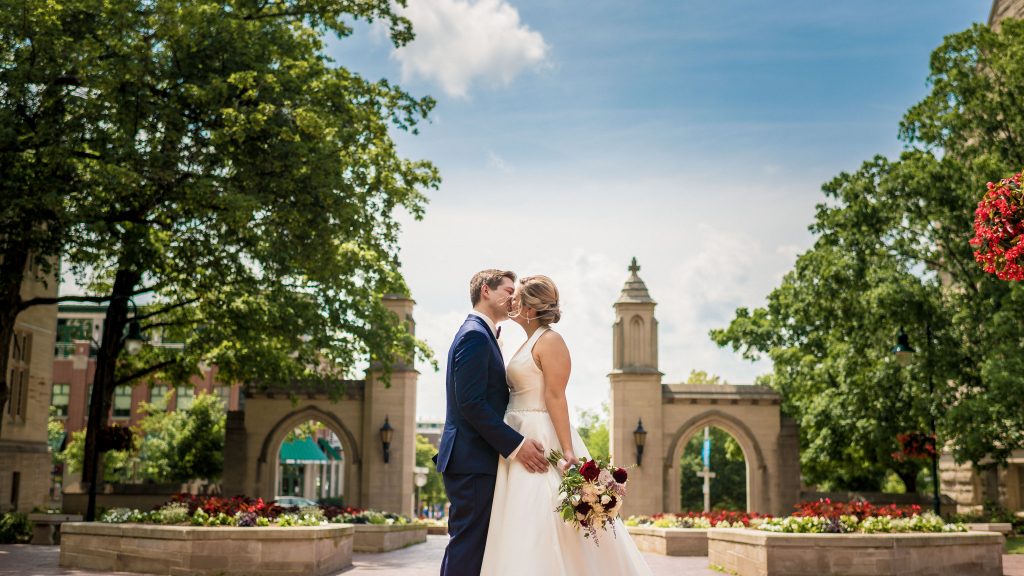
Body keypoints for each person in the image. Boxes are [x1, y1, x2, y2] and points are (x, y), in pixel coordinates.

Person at [480, 275, 653, 575]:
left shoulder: (550, 340)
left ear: (531, 309)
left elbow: (556, 396)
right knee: (518, 518)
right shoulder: (526, 342)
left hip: (540, 436)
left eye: (517, 298)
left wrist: (568, 452)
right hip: (518, 434)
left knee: (539, 514)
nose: (511, 302)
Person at [435, 269, 550, 576]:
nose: (514, 296)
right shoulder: (474, 334)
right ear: (486, 290)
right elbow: (470, 403)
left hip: (475, 458)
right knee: (468, 546)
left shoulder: (483, 334)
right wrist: (517, 445)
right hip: (471, 459)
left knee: (471, 545)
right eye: (508, 290)